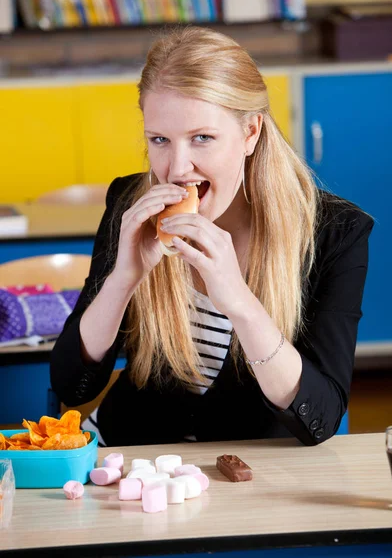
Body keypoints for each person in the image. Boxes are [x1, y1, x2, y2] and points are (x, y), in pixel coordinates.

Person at [50, 26, 373, 447]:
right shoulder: (132, 205)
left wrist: (238, 301)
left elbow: (320, 419)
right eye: (160, 140)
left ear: (251, 134)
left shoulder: (334, 233)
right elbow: (73, 387)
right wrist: (123, 281)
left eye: (202, 138)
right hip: (131, 459)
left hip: (256, 477)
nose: (178, 167)